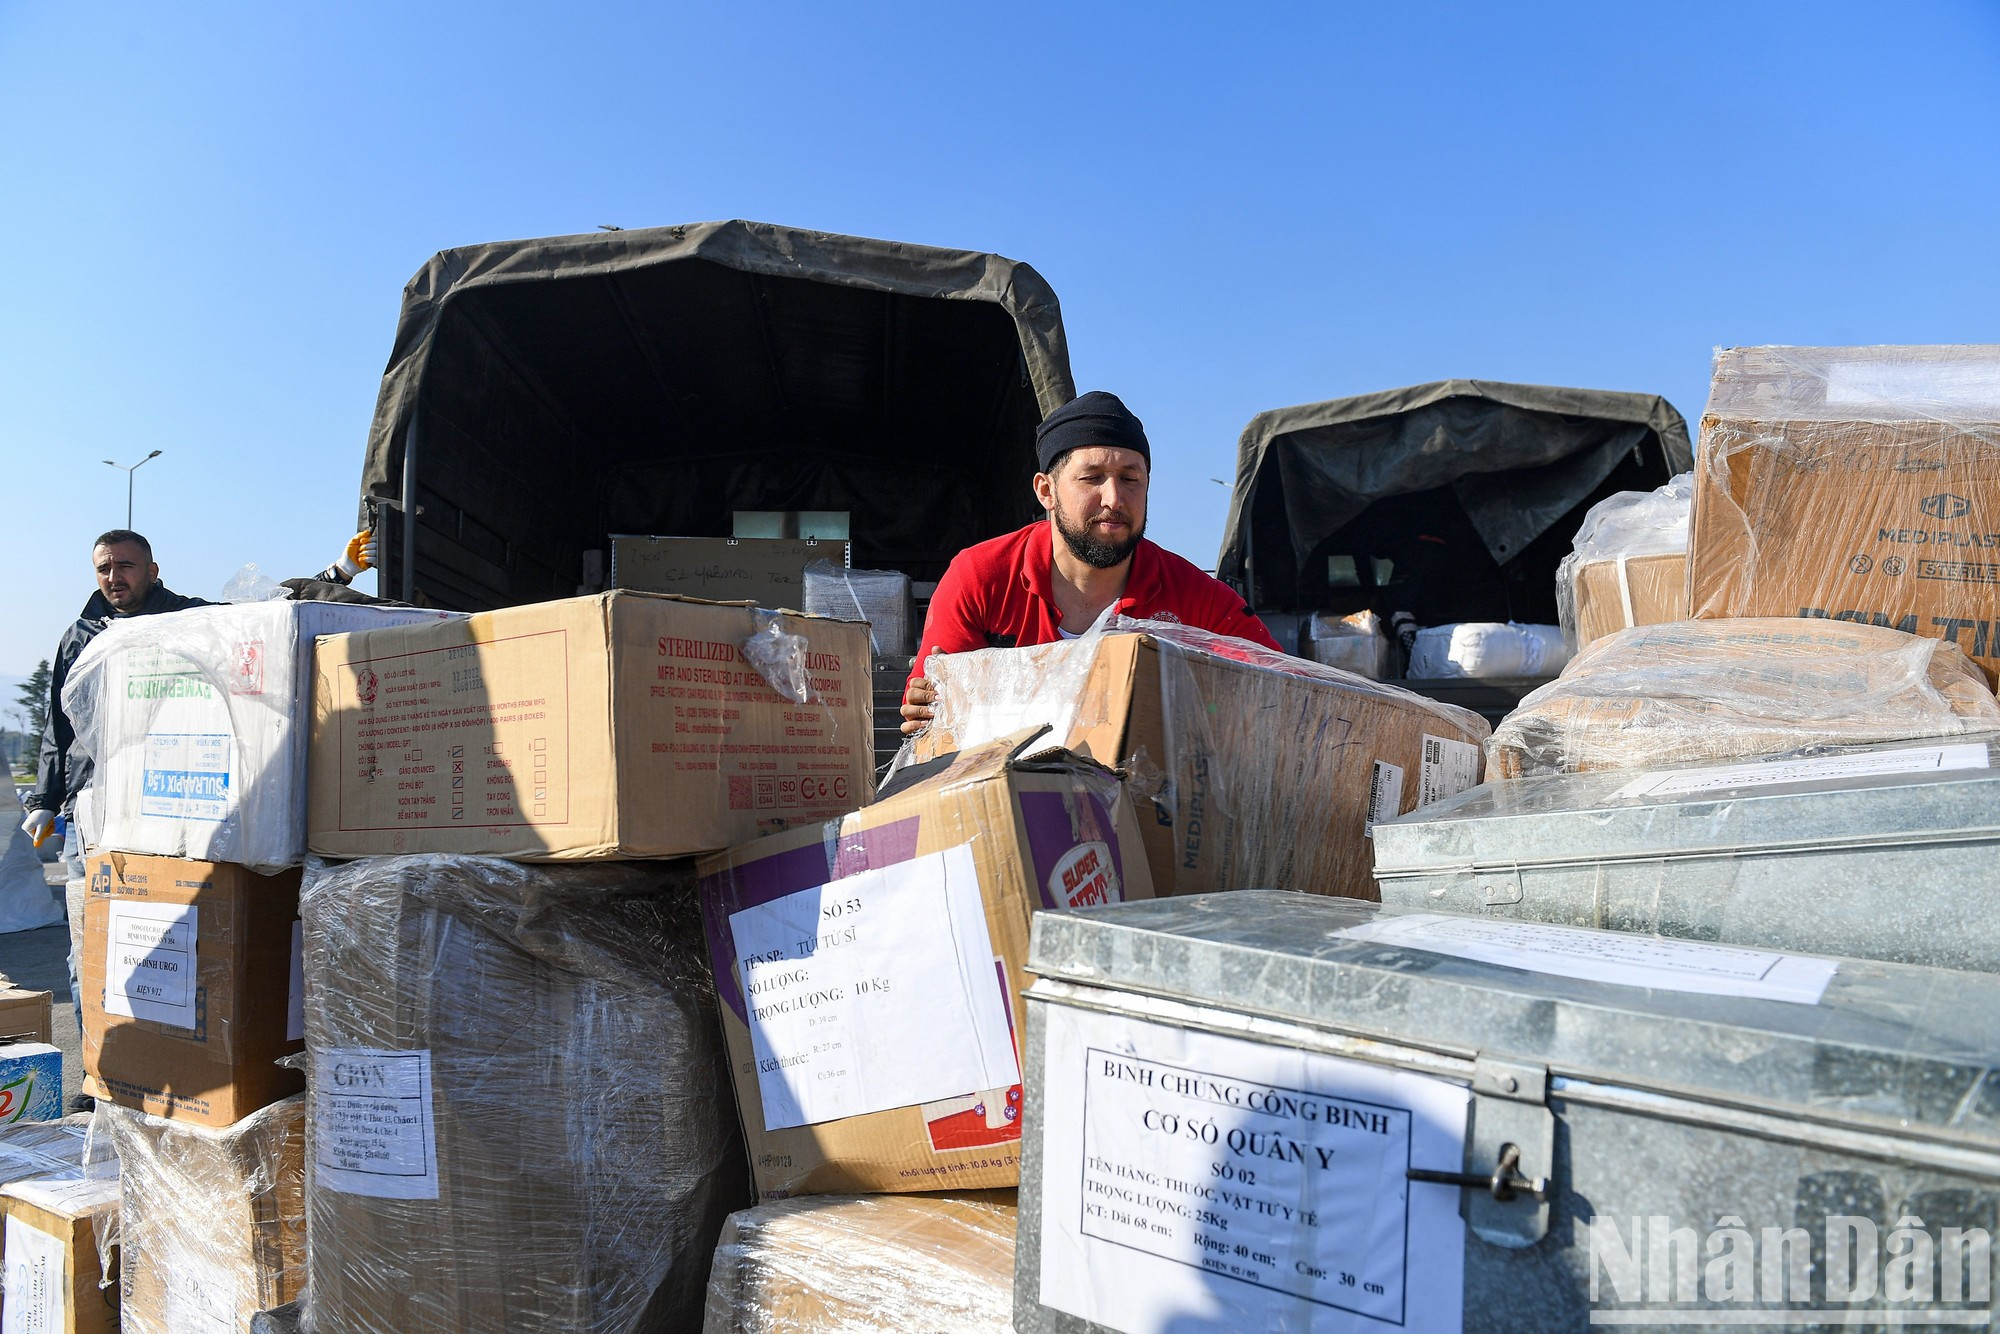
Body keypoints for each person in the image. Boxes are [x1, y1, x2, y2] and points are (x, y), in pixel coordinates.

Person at [20, 527, 375, 1106]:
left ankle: (169, 1067)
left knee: (161, 945)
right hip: (91, 809)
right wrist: (42, 800)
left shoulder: (185, 619)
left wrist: (336, 574)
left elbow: (263, 617)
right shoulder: (81, 634)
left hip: (159, 809)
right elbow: (58, 727)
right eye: (105, 567)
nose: (114, 577)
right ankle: (98, 1077)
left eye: (125, 566)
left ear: (152, 569)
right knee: (89, 949)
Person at [901, 391, 1280, 735]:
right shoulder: (981, 577)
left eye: (1130, 478)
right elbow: (930, 718)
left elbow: (1282, 692)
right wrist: (927, 710)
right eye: (1092, 478)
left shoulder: (1197, 597)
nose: (1114, 498)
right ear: (1046, 491)